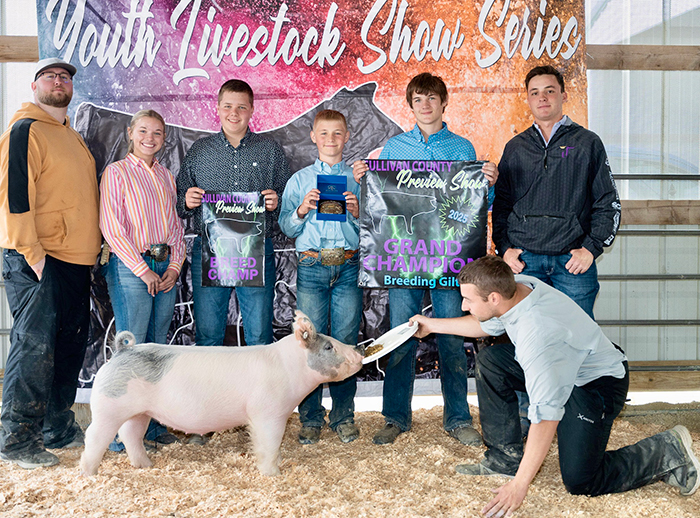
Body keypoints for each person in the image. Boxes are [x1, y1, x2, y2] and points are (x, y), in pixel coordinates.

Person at [410, 255, 700, 516]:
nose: (464, 306)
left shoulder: (537, 337)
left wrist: (520, 485)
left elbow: (546, 416)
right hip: (570, 362)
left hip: (597, 384)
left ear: (494, 297)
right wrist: (432, 325)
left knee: (582, 481)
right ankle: (505, 459)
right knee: (492, 361)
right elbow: (485, 324)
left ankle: (666, 450)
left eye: (468, 300)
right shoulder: (517, 287)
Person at [353, 72, 498, 446]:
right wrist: (362, 180)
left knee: (452, 337)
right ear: (411, 105)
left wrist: (489, 183)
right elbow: (380, 202)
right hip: (405, 258)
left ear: (444, 102)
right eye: (418, 99)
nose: (426, 105)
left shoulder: (462, 149)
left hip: (449, 260)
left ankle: (458, 418)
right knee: (401, 336)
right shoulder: (395, 148)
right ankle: (395, 417)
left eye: (432, 98)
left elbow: (476, 205)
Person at [0, 58, 102, 468]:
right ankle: (16, 439)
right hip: (40, 259)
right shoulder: (25, 130)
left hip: (75, 260)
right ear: (35, 85)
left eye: (64, 77)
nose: (59, 82)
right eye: (50, 76)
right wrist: (32, 253)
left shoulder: (70, 135)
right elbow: (15, 196)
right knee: (34, 346)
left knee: (67, 347)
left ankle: (55, 427)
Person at [492, 65, 620, 320]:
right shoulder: (515, 147)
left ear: (563, 94)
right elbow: (502, 204)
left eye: (549, 91)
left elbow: (607, 201)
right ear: (527, 99)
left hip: (572, 262)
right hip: (525, 262)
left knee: (577, 335)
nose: (542, 98)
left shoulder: (587, 143)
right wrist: (505, 248)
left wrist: (591, 248)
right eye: (535, 92)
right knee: (528, 334)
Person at [176, 79, 292, 347]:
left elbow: (287, 199)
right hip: (210, 249)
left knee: (259, 335)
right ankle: (211, 378)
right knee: (208, 334)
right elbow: (181, 200)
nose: (234, 113)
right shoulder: (200, 150)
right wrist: (188, 200)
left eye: (241, 107)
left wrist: (277, 201)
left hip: (255, 249)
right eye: (227, 106)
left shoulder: (270, 150)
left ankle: (259, 378)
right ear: (217, 108)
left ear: (252, 110)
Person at [99, 109, 185, 449]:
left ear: (164, 139)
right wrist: (142, 269)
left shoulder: (166, 176)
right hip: (130, 264)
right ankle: (119, 436)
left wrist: (174, 267)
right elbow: (112, 227)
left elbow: (176, 227)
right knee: (131, 348)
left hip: (164, 265)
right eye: (144, 131)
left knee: (156, 348)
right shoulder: (116, 173)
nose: (150, 138)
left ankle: (149, 429)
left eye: (158, 133)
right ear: (130, 133)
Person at [279, 110, 362, 445]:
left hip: (347, 265)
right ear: (313, 137)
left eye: (337, 133)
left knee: (345, 341)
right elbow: (285, 226)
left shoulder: (358, 179)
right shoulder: (299, 180)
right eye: (324, 133)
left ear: (347, 136)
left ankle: (343, 416)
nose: (331, 139)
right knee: (309, 343)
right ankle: (311, 418)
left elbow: (377, 226)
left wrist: (357, 212)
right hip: (312, 265)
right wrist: (301, 210)